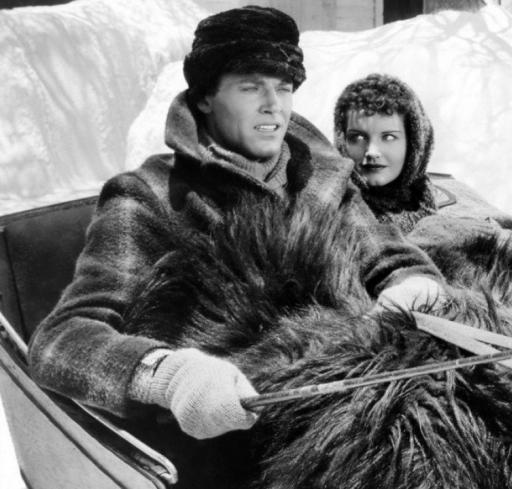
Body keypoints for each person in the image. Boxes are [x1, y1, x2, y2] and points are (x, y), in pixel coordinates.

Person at [27, 7, 445, 441]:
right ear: (205, 97)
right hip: (233, 436)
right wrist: (168, 376)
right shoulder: (150, 196)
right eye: (250, 87)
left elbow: (396, 263)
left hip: (357, 411)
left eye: (283, 88)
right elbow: (61, 341)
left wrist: (410, 290)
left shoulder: (325, 180)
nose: (273, 105)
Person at [333, 73, 512, 267]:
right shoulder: (333, 210)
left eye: (388, 137)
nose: (371, 151)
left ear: (414, 142)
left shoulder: (448, 192)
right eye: (357, 138)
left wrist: (481, 238)